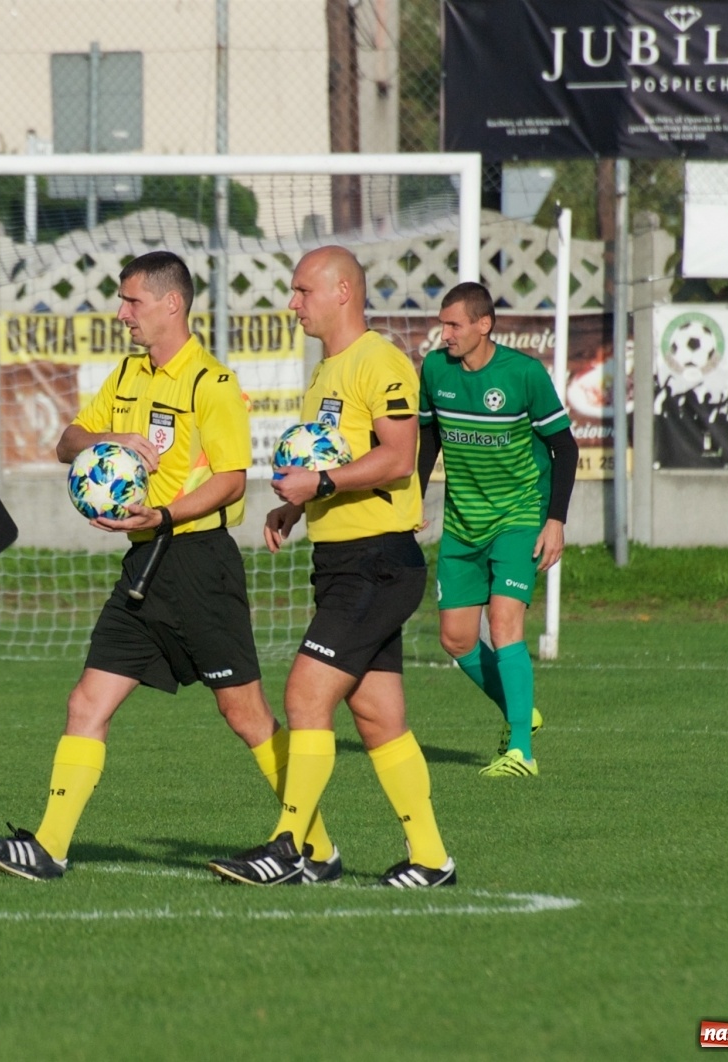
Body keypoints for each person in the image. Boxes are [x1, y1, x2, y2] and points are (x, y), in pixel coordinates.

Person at [0, 251, 336, 883]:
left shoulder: (210, 383)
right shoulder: (129, 376)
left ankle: (315, 848)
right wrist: (106, 442)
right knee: (86, 701)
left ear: (171, 304)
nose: (121, 312)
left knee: (244, 716)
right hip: (144, 567)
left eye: (132, 301)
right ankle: (49, 846)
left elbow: (230, 482)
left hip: (198, 564)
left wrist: (162, 515)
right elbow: (66, 441)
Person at [206, 246, 455, 888]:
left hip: (378, 561)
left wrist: (319, 484)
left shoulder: (382, 362)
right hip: (341, 559)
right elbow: (338, 468)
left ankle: (294, 848)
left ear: (344, 291)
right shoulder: (325, 373)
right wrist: (300, 505)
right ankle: (432, 858)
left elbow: (400, 458)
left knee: (304, 693)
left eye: (302, 291)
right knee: (377, 718)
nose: (293, 304)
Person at [417, 281, 577, 778]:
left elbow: (564, 448)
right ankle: (518, 710)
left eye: (454, 325)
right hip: (464, 523)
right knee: (457, 640)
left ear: (484, 325)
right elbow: (428, 438)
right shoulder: (435, 369)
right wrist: (413, 499)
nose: (444, 335)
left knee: (504, 623)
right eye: (442, 324)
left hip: (519, 517)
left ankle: (521, 753)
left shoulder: (524, 374)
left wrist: (555, 520)